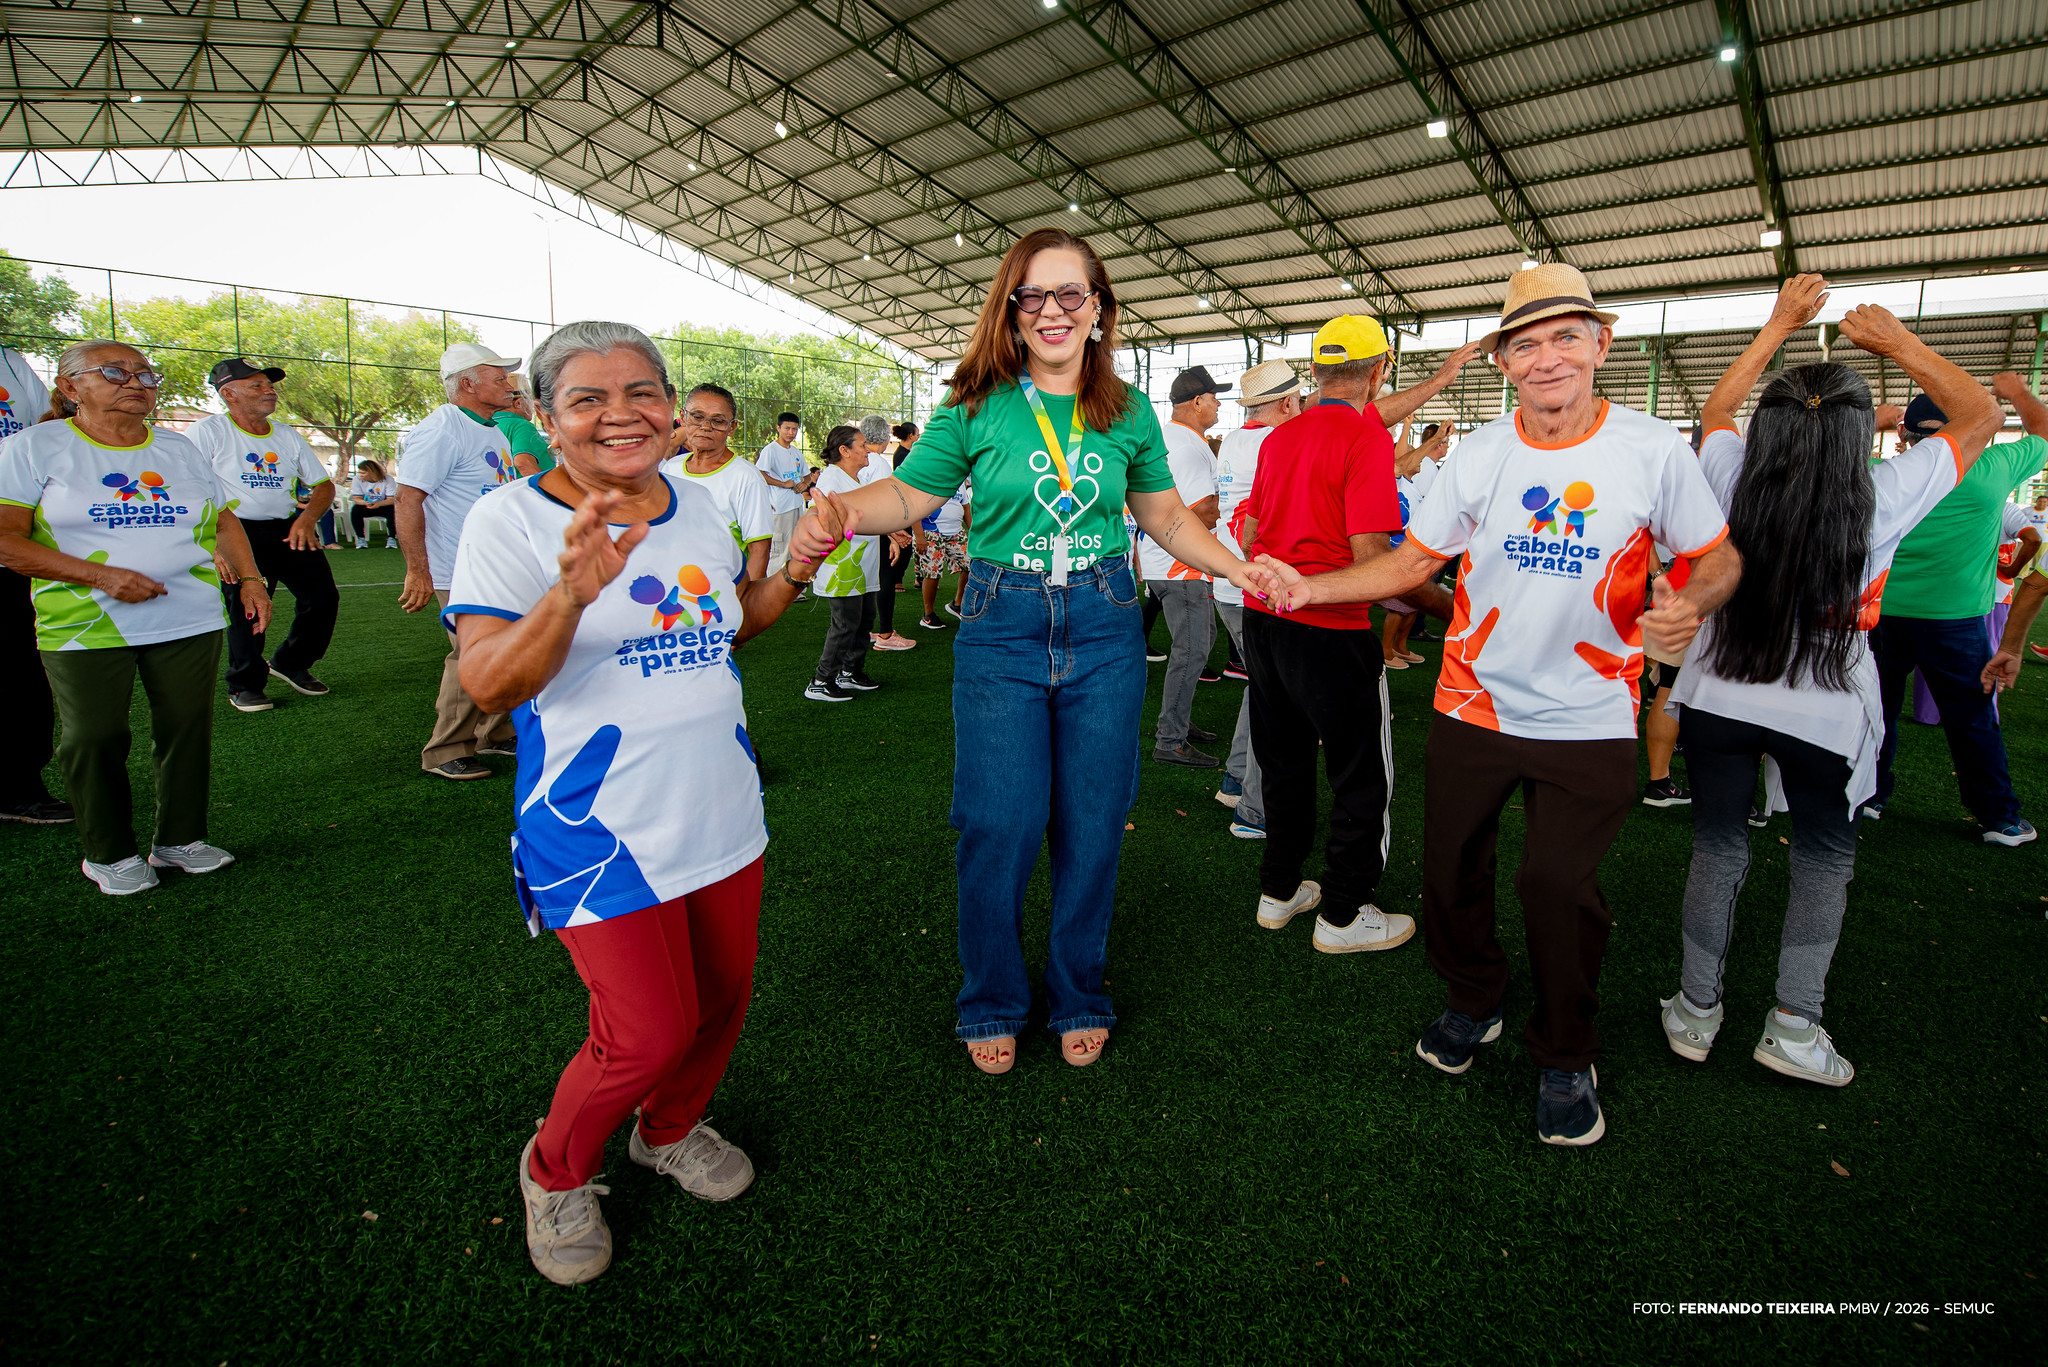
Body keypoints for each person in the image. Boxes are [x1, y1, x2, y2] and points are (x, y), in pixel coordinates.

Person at [1246, 263, 1740, 1146]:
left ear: (1601, 344)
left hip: (1590, 713)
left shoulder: (1653, 449)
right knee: (1452, 874)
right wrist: (1305, 589)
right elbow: (1407, 565)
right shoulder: (1476, 455)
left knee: (1556, 883)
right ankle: (1473, 998)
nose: (1547, 358)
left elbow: (1719, 554)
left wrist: (1692, 600)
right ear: (1504, 360)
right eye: (1526, 343)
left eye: (1564, 336)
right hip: (1470, 707)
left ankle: (1565, 1049)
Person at [789, 227, 1261, 1073]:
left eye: (1070, 294)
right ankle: (993, 998)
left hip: (1106, 618)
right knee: (998, 822)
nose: (1052, 311)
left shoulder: (1128, 411)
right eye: (1033, 296)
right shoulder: (974, 404)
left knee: (1092, 822)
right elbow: (909, 492)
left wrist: (1239, 566)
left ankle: (1079, 991)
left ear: (1099, 309)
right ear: (1011, 310)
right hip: (1002, 622)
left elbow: (1164, 516)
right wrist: (840, 512)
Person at [444, 320, 811, 1286]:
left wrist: (797, 570)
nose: (622, 415)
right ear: (544, 418)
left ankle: (671, 1129)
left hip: (723, 807)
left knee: (723, 999)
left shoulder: (692, 506)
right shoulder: (509, 522)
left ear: (670, 404)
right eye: (588, 399)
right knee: (645, 1028)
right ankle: (556, 1169)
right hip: (599, 829)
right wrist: (567, 595)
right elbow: (486, 685)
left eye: (642, 392)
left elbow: (729, 627)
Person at [1660, 279, 2002, 1088]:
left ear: (1770, 429)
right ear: (1859, 434)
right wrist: (1902, 348)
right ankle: (1793, 1026)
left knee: (1717, 849)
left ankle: (1695, 1012)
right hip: (1828, 707)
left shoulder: (1731, 470)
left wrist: (1780, 324)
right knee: (1821, 859)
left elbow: (1717, 407)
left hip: (1716, 693)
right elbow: (1981, 416)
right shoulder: (1880, 496)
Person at [1237, 318, 1479, 956]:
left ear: (1313, 374)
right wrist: (1450, 603)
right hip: (1331, 631)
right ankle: (1344, 914)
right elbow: (1375, 564)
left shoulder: (1279, 438)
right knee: (1361, 775)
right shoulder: (1367, 440)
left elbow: (1248, 535)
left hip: (1265, 622)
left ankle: (1280, 889)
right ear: (1379, 371)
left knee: (1282, 762)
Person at [0, 340, 271, 894]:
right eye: (116, 372)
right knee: (93, 736)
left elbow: (222, 524)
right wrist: (100, 576)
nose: (137, 382)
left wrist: (250, 579)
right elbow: (7, 542)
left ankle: (180, 840)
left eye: (147, 374)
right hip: (84, 621)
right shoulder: (35, 448)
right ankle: (108, 852)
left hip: (190, 615)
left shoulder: (178, 449)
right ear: (71, 387)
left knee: (186, 730)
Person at [1867, 373, 2048, 841]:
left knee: (1874, 711)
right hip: (1954, 620)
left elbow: (1823, 450)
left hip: (1880, 613)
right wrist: (2019, 394)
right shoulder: (1995, 466)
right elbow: (2045, 434)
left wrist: (1873, 421)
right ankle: (2000, 818)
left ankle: (1869, 797)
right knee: (1972, 718)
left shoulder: (1881, 474)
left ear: (1906, 435)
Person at [396, 343, 523, 780]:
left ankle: (494, 730)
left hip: (492, 565)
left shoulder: (491, 428)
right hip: (460, 567)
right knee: (472, 654)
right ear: (467, 383)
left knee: (505, 650)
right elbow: (408, 498)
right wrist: (419, 569)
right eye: (500, 377)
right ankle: (445, 748)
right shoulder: (442, 428)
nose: (509, 385)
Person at [187, 357, 341, 712]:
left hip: (287, 528)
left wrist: (306, 521)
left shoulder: (287, 435)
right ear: (229, 394)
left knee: (322, 598)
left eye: (268, 385)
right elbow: (190, 489)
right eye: (256, 385)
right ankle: (245, 683)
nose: (268, 390)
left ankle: (290, 662)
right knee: (248, 608)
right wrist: (214, 546)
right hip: (234, 529)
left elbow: (322, 486)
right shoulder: (207, 432)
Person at [1211, 357, 1301, 838]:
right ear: (1288, 402)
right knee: (1277, 699)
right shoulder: (1276, 440)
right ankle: (1254, 810)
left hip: (1229, 583)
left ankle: (1235, 779)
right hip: (1256, 584)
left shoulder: (1237, 440)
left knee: (1264, 689)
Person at [1140, 365, 1228, 766]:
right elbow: (1199, 511)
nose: (1218, 404)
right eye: (1213, 398)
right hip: (1181, 567)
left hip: (1167, 563)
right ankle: (1169, 740)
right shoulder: (1188, 446)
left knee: (1199, 642)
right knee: (1191, 651)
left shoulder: (1174, 437)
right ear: (1196, 402)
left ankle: (1179, 720)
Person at [0, 343, 68, 823]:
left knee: (20, 669)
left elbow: (47, 424)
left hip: (12, 540)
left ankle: (17, 785)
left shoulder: (11, 360)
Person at [658, 383, 773, 582]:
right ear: (683, 417)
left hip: (721, 593)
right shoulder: (671, 469)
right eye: (697, 417)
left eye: (718, 421)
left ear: (732, 427)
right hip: (674, 590)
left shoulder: (746, 477)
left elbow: (759, 551)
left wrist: (745, 605)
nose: (705, 427)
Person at [804, 424, 883, 701]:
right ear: (844, 450)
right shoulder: (831, 481)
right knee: (846, 624)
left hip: (861, 565)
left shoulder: (852, 480)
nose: (867, 450)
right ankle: (821, 680)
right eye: (862, 445)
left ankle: (850, 671)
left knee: (863, 620)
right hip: (843, 567)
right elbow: (827, 520)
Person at [1379, 419, 1450, 671]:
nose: (1421, 462)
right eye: (1415, 459)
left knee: (1412, 605)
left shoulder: (1413, 487)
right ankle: (1385, 651)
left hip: (1412, 550)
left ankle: (1401, 646)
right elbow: (1401, 454)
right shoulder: (1397, 480)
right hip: (1396, 551)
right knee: (1398, 606)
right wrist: (1407, 425)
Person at [860, 414, 918, 651]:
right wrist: (894, 532)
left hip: (858, 532)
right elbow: (881, 504)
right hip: (876, 530)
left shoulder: (855, 462)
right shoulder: (878, 464)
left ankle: (866, 631)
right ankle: (885, 634)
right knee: (886, 578)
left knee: (866, 581)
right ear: (884, 437)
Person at [756, 412, 814, 575]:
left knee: (796, 545)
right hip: (779, 506)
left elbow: (807, 474)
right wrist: (782, 484)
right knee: (780, 547)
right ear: (778, 428)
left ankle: (792, 585)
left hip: (796, 504)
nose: (791, 432)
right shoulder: (771, 450)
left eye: (794, 429)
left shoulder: (796, 452)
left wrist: (805, 483)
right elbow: (760, 473)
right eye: (787, 428)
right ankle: (775, 587)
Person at [914, 477, 971, 629]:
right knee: (932, 573)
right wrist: (919, 536)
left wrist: (973, 532)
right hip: (930, 532)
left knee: (971, 564)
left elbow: (966, 507)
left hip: (956, 532)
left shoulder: (959, 480)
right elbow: (915, 508)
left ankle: (957, 604)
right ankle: (928, 615)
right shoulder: (928, 478)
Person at [499, 376, 554, 477]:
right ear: (518, 403)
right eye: (529, 400)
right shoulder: (520, 425)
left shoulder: (488, 425)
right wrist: (544, 491)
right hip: (525, 490)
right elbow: (523, 463)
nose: (532, 407)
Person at [349, 458, 397, 547]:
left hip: (383, 505)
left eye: (363, 473)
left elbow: (391, 499)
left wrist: (378, 504)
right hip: (367, 505)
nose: (360, 475)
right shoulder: (357, 479)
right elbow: (356, 498)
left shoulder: (388, 479)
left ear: (372, 472)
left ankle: (392, 538)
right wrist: (364, 503)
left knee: (392, 510)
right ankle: (361, 538)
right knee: (356, 510)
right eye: (359, 473)